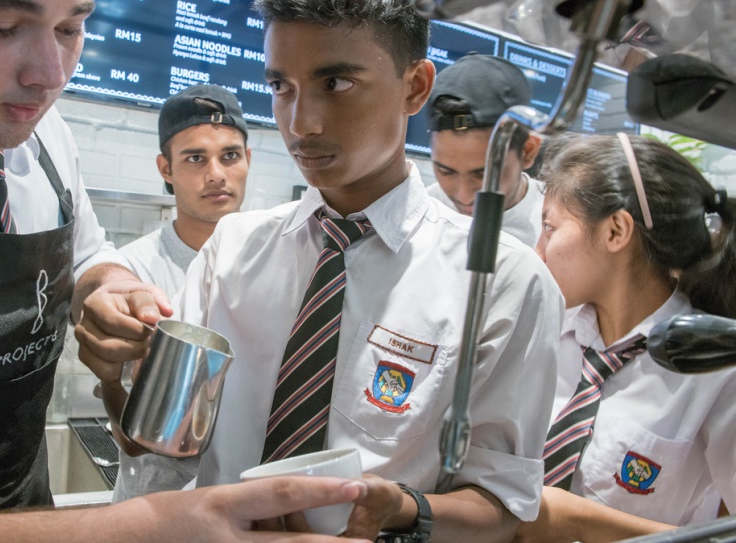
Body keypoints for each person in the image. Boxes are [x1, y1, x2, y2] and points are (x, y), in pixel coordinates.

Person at [0, 0, 371, 540]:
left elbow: (87, 252)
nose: (51, 75)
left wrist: (110, 286)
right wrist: (127, 528)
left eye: (71, 26)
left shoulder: (42, 132)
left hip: (23, 502)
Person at [76, 1, 565, 541]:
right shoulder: (233, 250)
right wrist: (117, 374)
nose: (300, 122)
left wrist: (404, 509)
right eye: (282, 86)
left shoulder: (503, 283)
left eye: (336, 83)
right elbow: (161, 451)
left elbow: (502, 507)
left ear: (415, 87)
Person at [514, 133, 736, 543]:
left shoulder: (714, 368)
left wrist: (582, 522)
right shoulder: (539, 330)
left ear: (616, 231)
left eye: (550, 227)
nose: (537, 251)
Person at [113, 83, 251, 502]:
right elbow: (130, 437)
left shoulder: (279, 261)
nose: (216, 174)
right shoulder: (133, 272)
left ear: (248, 160)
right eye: (195, 158)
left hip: (240, 510)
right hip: (152, 512)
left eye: (230, 155)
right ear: (166, 169)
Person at [426, 54, 544, 247]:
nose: (464, 196)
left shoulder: (556, 225)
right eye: (446, 171)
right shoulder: (424, 212)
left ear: (528, 151)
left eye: (483, 174)